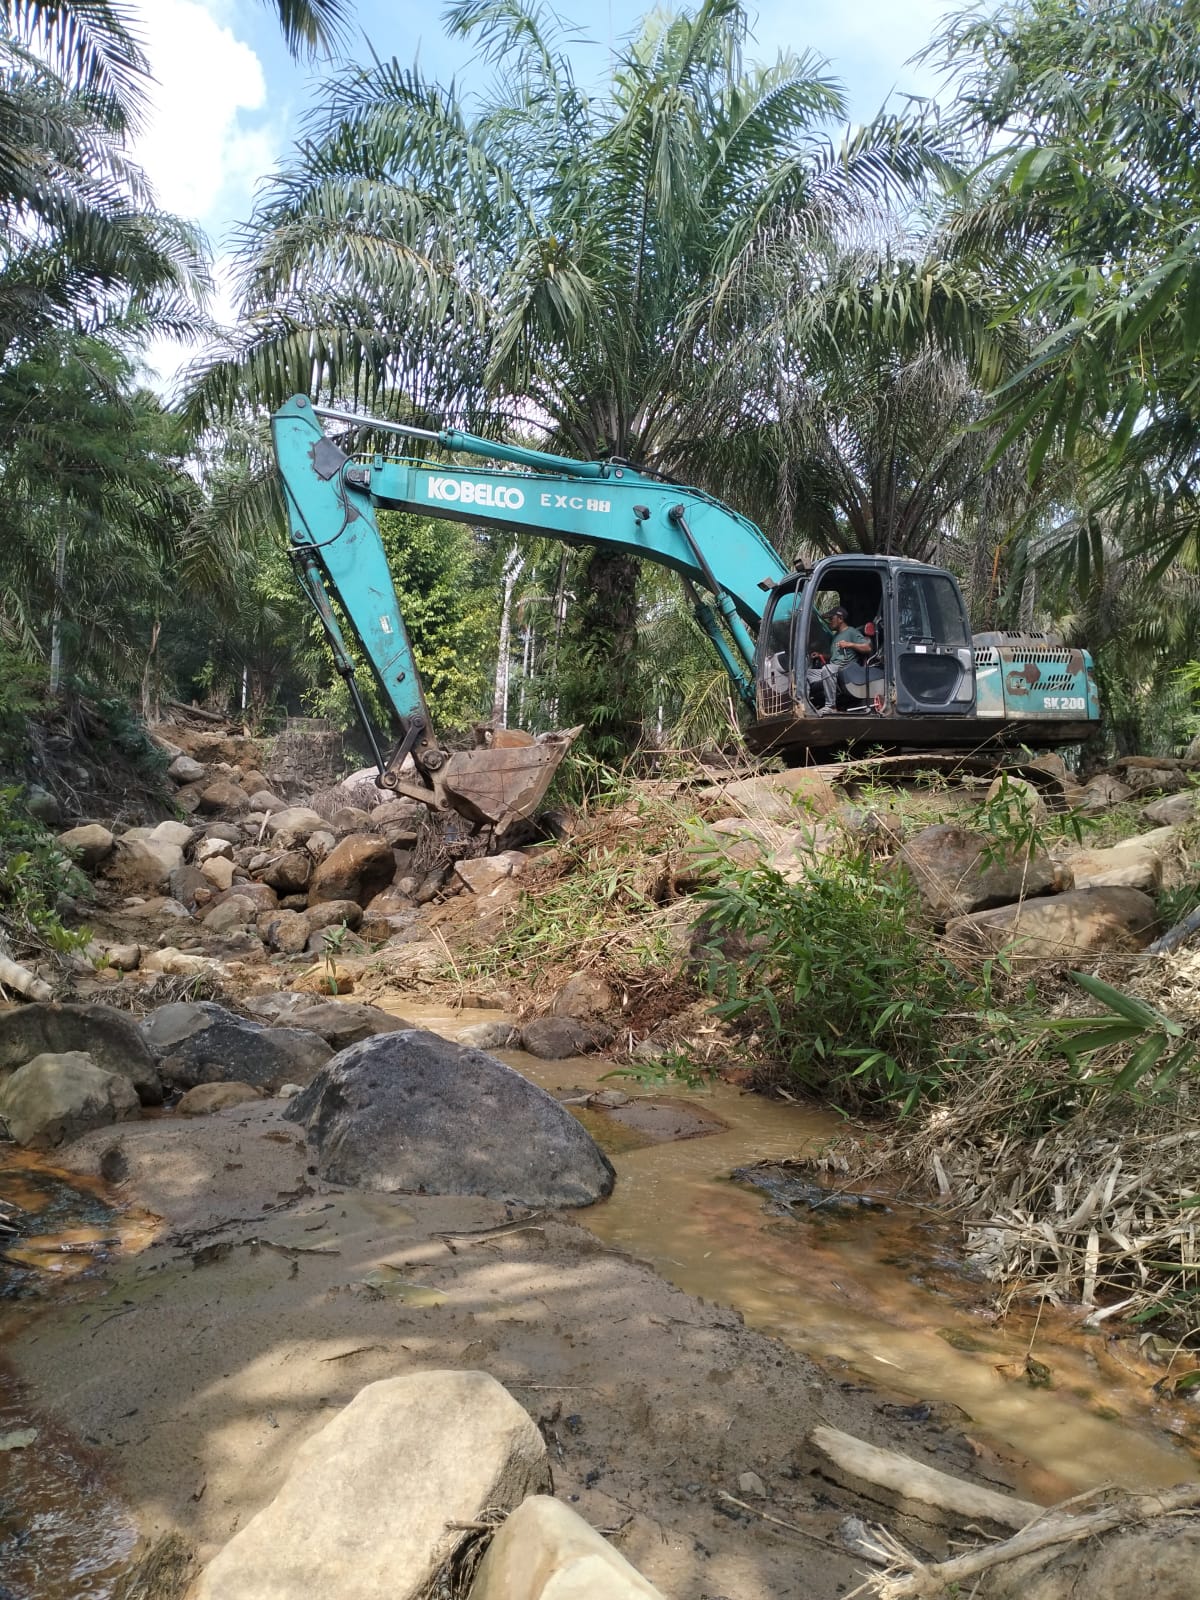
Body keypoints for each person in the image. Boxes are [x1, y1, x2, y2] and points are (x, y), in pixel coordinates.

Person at [808, 605, 869, 711]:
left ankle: (831, 706)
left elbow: (867, 647)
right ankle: (807, 704)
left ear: (840, 619)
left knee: (828, 669)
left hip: (845, 669)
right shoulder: (836, 636)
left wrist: (849, 644)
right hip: (833, 669)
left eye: (831, 619)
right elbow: (835, 656)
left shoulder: (851, 632)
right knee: (805, 674)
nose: (829, 622)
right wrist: (821, 655)